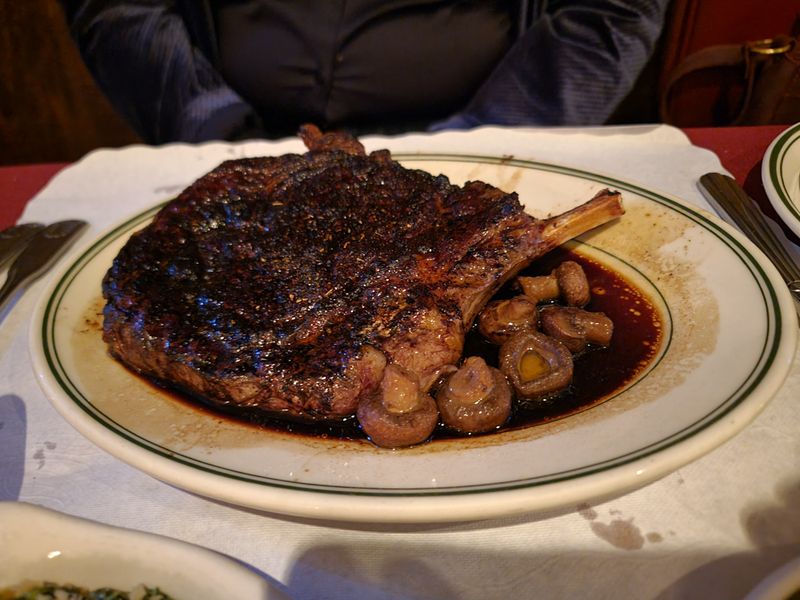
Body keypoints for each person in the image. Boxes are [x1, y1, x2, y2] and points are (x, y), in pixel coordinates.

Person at [59, 0, 669, 144]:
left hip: (489, 136)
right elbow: (121, 9)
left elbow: (611, 10)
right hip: (226, 135)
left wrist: (491, 137)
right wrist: (214, 130)